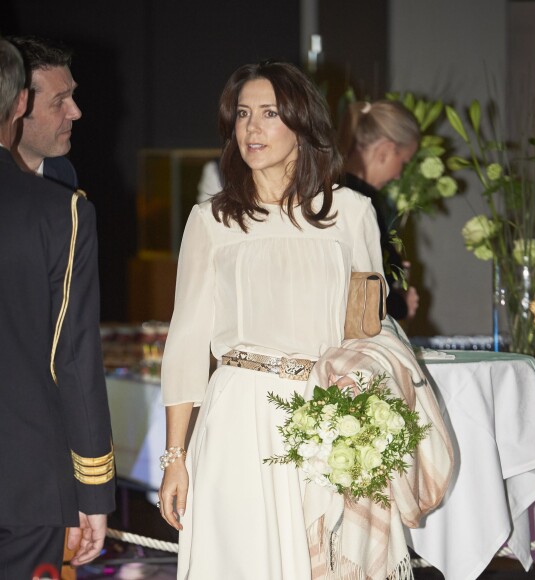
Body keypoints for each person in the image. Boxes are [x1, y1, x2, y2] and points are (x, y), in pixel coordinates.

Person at [157, 60, 452, 580]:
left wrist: (364, 418)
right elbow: (184, 346)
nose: (252, 128)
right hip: (236, 420)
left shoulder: (353, 213)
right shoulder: (211, 220)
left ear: (301, 123)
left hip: (325, 420)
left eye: (269, 113)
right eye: (243, 114)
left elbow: (366, 331)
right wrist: (174, 457)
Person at [0, 38, 115, 578]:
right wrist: (90, 488)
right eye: (58, 100)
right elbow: (71, 359)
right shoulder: (60, 211)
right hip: (24, 482)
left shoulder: (64, 188)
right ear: (18, 103)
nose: (76, 112)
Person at [338, 100, 421, 321]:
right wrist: (401, 305)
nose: (398, 175)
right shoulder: (360, 203)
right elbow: (361, 292)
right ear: (385, 151)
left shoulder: (330, 190)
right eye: (403, 162)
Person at [8, 34, 81, 189]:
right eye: (59, 101)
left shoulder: (63, 173)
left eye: (72, 95)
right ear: (15, 108)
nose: (76, 113)